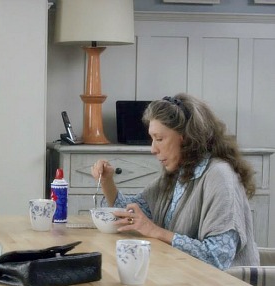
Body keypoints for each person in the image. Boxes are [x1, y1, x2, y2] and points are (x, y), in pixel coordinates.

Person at [91, 93, 259, 270]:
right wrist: (107, 182)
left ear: (185, 137)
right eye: (152, 139)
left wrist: (156, 232)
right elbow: (135, 212)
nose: (153, 149)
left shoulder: (219, 176)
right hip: (185, 277)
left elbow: (217, 257)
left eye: (160, 139)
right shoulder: (179, 173)